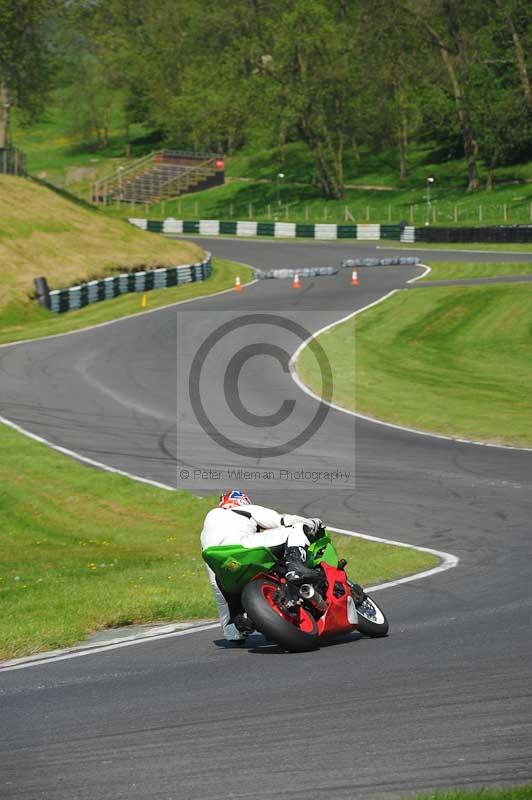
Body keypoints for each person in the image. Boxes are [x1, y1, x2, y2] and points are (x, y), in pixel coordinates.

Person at [200, 489, 323, 643]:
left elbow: (215, 583)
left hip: (224, 571)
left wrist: (229, 623)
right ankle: (295, 566)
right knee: (294, 530)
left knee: (231, 623)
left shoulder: (206, 530)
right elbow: (282, 520)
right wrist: (313, 523)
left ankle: (241, 624)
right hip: (243, 548)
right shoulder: (243, 509)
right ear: (242, 501)